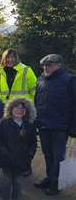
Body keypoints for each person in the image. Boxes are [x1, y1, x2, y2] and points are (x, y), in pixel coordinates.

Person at [34, 54, 76, 195]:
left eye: (49, 65)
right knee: (47, 154)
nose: (46, 67)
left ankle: (56, 183)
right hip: (44, 124)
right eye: (44, 65)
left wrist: (73, 127)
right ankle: (49, 177)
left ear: (59, 65)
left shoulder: (69, 80)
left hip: (60, 126)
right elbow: (37, 100)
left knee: (58, 156)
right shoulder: (41, 79)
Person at [0, 98, 37, 200]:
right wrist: (4, 151)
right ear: (11, 109)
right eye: (16, 108)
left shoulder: (29, 124)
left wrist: (30, 155)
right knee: (7, 183)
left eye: (22, 108)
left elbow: (33, 143)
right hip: (7, 159)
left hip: (22, 161)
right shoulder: (4, 122)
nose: (19, 110)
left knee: (18, 183)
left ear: (26, 111)